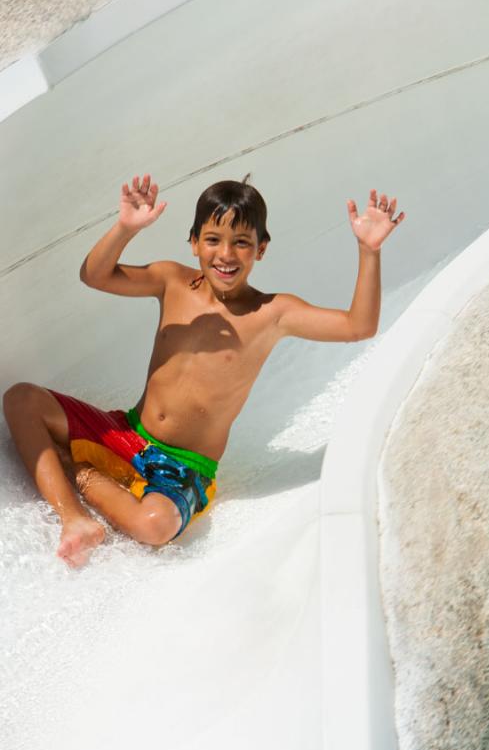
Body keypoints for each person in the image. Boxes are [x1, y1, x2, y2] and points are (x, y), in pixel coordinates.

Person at [2, 174, 405, 567]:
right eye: (213, 240)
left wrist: (369, 251)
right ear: (194, 242)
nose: (226, 254)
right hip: (127, 432)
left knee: (155, 526)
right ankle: (75, 518)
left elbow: (358, 326)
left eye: (242, 243)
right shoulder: (171, 280)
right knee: (21, 399)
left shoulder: (273, 313)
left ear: (261, 249)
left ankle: (80, 469)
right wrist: (126, 227)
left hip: (183, 467)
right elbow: (94, 275)